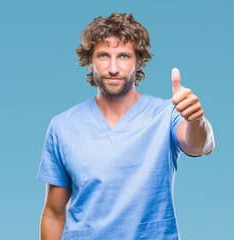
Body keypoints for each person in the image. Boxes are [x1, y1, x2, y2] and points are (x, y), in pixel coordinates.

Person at [37, 12, 215, 240]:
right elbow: (54, 213)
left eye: (123, 56)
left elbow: (200, 145)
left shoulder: (166, 114)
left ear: (139, 62)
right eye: (103, 56)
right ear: (90, 63)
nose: (113, 68)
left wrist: (196, 119)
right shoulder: (62, 126)